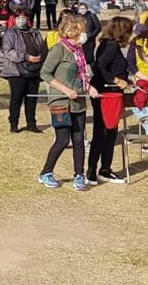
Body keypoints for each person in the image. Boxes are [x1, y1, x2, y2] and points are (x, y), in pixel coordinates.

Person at [38, 16, 101, 192]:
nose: (84, 35)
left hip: (78, 101)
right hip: (61, 101)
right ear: (72, 31)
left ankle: (79, 175)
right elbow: (45, 73)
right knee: (63, 139)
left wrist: (89, 88)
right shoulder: (59, 49)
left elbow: (82, 74)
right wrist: (65, 90)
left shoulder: (79, 51)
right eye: (81, 31)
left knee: (79, 138)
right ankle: (46, 172)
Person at [87, 16, 133, 185]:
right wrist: (116, 80)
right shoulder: (111, 46)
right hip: (107, 92)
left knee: (106, 132)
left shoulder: (107, 44)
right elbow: (99, 67)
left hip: (108, 92)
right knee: (105, 132)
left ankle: (99, 169)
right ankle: (98, 169)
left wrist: (126, 80)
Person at [0, 8, 45, 133]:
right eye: (19, 18)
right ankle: (13, 123)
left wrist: (41, 57)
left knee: (32, 98)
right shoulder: (10, 33)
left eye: (24, 18)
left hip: (34, 69)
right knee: (17, 98)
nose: (21, 20)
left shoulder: (35, 33)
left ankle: (31, 123)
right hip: (16, 70)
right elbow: (8, 51)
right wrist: (26, 57)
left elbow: (42, 47)